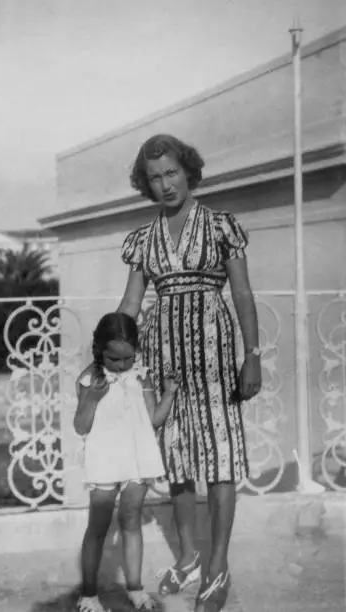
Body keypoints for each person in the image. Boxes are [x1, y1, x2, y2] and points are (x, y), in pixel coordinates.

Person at [117, 134, 262, 611]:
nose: (165, 184)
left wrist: (252, 353)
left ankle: (218, 566)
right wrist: (109, 356)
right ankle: (188, 555)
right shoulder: (142, 240)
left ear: (188, 171)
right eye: (155, 177)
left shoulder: (221, 226)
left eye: (172, 173)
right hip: (165, 361)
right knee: (176, 458)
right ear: (147, 183)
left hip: (215, 359)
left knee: (219, 455)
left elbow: (241, 294)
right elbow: (132, 303)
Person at [73, 312, 181, 612]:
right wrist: (92, 399)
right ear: (99, 350)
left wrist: (169, 395)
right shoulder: (89, 379)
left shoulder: (141, 375)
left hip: (138, 458)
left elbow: (153, 421)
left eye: (128, 359)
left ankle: (134, 588)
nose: (121, 366)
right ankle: (89, 594)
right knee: (97, 526)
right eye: (114, 359)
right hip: (105, 459)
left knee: (131, 521)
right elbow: (81, 426)